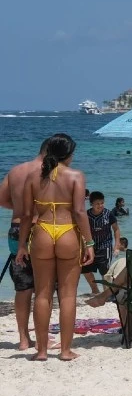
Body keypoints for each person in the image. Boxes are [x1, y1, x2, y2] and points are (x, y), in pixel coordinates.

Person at [15, 134, 93, 361]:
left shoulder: (33, 177)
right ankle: (65, 351)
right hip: (68, 232)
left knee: (42, 293)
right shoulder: (76, 176)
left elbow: (27, 215)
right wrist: (89, 242)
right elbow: (79, 212)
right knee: (67, 296)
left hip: (42, 232)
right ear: (68, 154)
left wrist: (22, 245)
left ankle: (41, 351)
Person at [0, 137, 52, 350]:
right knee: (44, 288)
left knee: (22, 288)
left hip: (16, 229)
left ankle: (23, 339)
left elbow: (1, 199)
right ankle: (41, 339)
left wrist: (19, 208)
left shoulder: (16, 171)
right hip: (41, 229)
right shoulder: (50, 172)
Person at [81, 191, 119, 297]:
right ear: (91, 204)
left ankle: (106, 293)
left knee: (105, 270)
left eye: (102, 203)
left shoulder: (108, 214)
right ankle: (95, 290)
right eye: (97, 203)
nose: (100, 205)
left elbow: (116, 230)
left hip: (105, 245)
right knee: (85, 269)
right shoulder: (86, 215)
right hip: (90, 246)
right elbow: (81, 231)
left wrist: (116, 246)